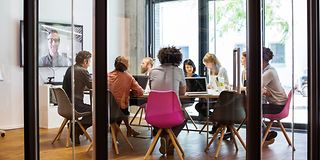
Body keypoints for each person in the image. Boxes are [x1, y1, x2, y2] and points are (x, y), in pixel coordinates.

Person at [149, 46, 187, 155]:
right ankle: (169, 138)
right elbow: (183, 92)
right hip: (172, 113)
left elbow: (152, 89)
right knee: (184, 116)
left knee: (160, 118)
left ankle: (162, 135)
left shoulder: (153, 71)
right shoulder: (179, 71)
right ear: (177, 59)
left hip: (153, 114)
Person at [108, 56, 144, 137]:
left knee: (122, 106)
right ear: (125, 66)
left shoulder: (107, 75)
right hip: (119, 111)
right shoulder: (128, 77)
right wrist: (130, 92)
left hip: (105, 110)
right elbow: (140, 92)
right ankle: (124, 130)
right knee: (123, 107)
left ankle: (128, 129)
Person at [62, 50, 92, 145]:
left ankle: (75, 127)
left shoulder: (70, 68)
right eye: (89, 61)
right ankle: (77, 128)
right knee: (98, 110)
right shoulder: (83, 71)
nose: (90, 64)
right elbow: (92, 85)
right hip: (76, 105)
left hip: (65, 105)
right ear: (85, 61)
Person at [262, 47, 288, 144]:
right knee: (253, 109)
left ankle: (264, 135)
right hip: (279, 105)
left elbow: (255, 86)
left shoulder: (269, 72)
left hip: (278, 107)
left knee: (251, 111)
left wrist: (264, 91)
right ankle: (266, 134)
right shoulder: (270, 70)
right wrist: (265, 91)